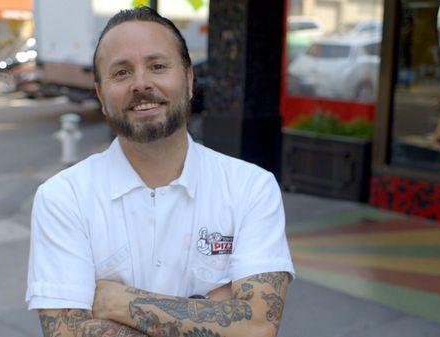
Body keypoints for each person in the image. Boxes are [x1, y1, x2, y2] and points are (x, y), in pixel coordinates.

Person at [26, 7, 295, 337]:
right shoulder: (62, 198)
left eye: (157, 66)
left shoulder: (251, 187)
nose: (141, 84)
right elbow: (66, 332)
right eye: (121, 73)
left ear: (189, 79)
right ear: (100, 94)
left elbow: (257, 326)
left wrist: (116, 301)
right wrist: (213, 308)